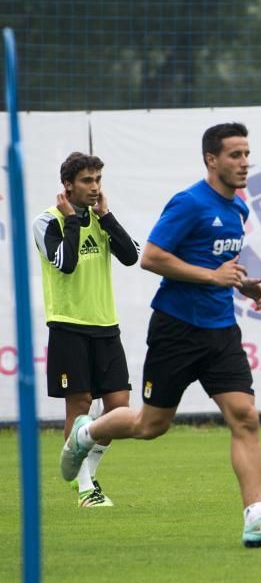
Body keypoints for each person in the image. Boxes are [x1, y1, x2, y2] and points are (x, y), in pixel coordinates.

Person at [60, 122, 261, 547]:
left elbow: (218, 265)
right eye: (235, 155)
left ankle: (255, 518)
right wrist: (212, 276)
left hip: (221, 330)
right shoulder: (190, 203)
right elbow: (150, 258)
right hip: (176, 329)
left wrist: (243, 284)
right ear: (212, 159)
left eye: (247, 154)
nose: (244, 163)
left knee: (245, 416)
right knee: (151, 424)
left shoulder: (239, 210)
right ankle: (87, 433)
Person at [33, 152, 140, 507]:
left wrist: (106, 217)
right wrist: (72, 220)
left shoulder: (101, 218)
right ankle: (84, 489)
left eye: (98, 181)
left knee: (118, 409)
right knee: (78, 406)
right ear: (68, 186)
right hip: (69, 326)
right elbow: (65, 263)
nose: (95, 188)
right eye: (87, 181)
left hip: (106, 326)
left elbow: (131, 255)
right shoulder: (47, 222)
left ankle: (88, 470)